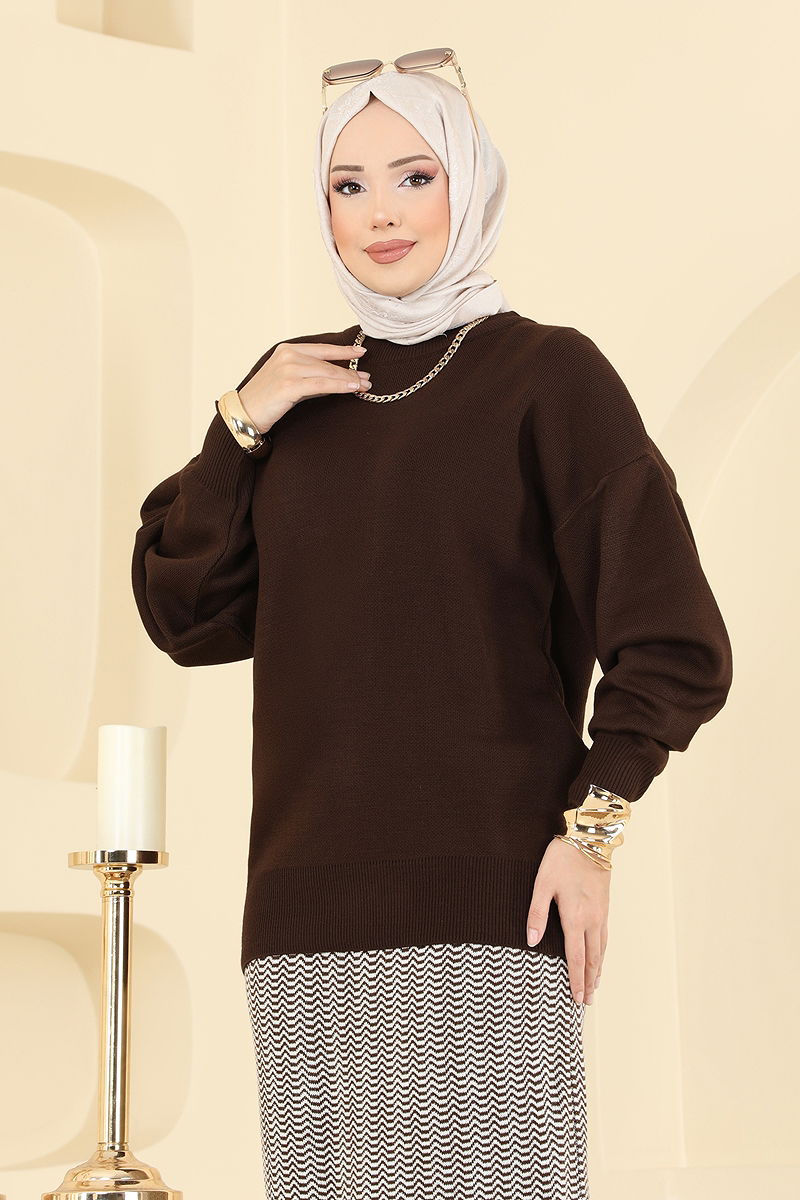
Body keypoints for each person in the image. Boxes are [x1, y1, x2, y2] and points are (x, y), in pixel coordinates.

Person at [131, 60, 733, 1200]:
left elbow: (672, 636)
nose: (383, 213)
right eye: (348, 186)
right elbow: (185, 614)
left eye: (414, 175)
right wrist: (240, 422)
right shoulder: (294, 395)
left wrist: (592, 831)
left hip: (491, 899)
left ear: (469, 181)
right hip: (305, 916)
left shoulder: (547, 375)